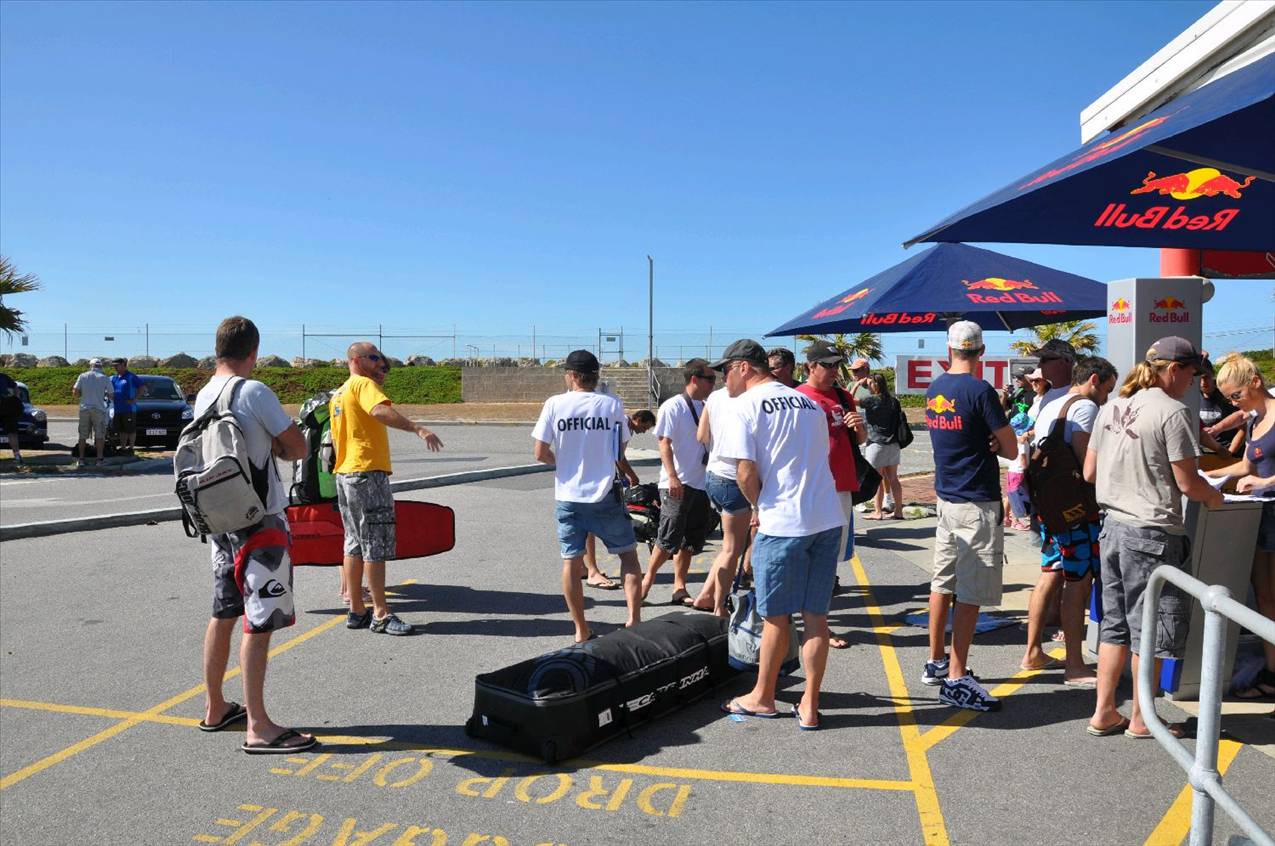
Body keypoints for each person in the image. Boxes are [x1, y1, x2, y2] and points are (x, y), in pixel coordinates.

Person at [1083, 336, 1223, 738]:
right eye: (1191, 374)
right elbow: (1188, 483)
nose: (1193, 382)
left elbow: (1090, 472)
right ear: (1173, 369)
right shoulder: (1173, 412)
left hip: (1112, 527)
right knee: (1149, 630)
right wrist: (1215, 497)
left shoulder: (1111, 407)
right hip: (1152, 534)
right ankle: (1143, 718)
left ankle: (1104, 712)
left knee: (1114, 625)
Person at [196, 316, 315, 754]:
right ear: (254, 352)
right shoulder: (254, 391)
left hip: (220, 520)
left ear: (217, 350)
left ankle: (215, 707)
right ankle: (259, 727)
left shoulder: (204, 394)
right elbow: (298, 446)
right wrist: (277, 444)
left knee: (224, 612)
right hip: (260, 521)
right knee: (260, 620)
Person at [715, 339, 846, 728]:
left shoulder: (744, 407)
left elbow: (744, 471)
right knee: (816, 617)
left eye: (726, 371)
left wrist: (758, 506)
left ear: (743, 367)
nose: (724, 380)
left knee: (775, 617)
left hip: (783, 522)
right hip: (826, 517)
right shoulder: (808, 403)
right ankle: (810, 703)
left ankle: (763, 696)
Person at [924, 321, 1017, 712]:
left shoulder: (936, 388)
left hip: (946, 498)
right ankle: (957, 677)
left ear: (949, 350)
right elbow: (1011, 449)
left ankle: (936, 661)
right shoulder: (980, 391)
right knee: (971, 592)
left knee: (942, 582)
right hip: (976, 501)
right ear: (981, 351)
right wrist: (995, 440)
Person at [331, 342, 444, 636]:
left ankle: (357, 610)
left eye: (380, 357)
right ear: (356, 360)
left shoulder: (339, 393)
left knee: (353, 543)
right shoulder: (362, 385)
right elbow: (379, 410)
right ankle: (381, 613)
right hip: (367, 473)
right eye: (374, 357)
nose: (380, 362)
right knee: (375, 544)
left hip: (345, 474)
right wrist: (418, 428)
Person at [1019, 356, 1117, 687]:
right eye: (1106, 389)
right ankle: (1075, 665)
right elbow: (1089, 467)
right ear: (1093, 379)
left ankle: (1033, 651)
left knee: (1050, 572)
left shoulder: (1051, 404)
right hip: (1077, 511)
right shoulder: (1085, 408)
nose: (1106, 397)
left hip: (1053, 509)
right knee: (1079, 581)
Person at [533, 350, 644, 640]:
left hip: (568, 495)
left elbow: (540, 452)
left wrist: (563, 465)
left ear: (571, 376)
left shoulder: (554, 404)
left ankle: (580, 628)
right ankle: (633, 620)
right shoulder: (611, 404)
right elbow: (619, 451)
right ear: (596, 376)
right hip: (605, 492)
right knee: (628, 556)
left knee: (572, 562)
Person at [1208, 353, 1275, 699]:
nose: (1234, 403)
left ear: (1255, 382)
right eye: (1229, 399)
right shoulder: (1254, 421)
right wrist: (1204, 475)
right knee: (1264, 597)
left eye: (1236, 395)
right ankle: (1272, 672)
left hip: (1271, 509)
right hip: (1259, 515)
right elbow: (1245, 467)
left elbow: (1258, 476)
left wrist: (1266, 483)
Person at [797, 340, 866, 650]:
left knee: (830, 561)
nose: (834, 370)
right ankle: (811, 625)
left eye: (836, 365)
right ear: (810, 367)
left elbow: (860, 440)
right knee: (808, 558)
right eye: (827, 365)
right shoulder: (798, 398)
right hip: (811, 488)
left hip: (842, 485)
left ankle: (818, 623)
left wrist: (858, 426)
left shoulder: (843, 396)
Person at [640, 359, 715, 606]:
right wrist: (672, 476)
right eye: (709, 379)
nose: (713, 383)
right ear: (694, 379)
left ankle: (679, 587)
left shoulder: (707, 406)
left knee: (690, 541)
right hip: (677, 482)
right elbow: (664, 443)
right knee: (668, 537)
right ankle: (647, 581)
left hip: (701, 483)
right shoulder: (673, 406)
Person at [689, 362, 751, 616]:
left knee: (728, 545)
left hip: (714, 476)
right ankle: (719, 606)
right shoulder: (748, 399)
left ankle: (706, 595)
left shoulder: (714, 398)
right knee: (732, 549)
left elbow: (702, 436)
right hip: (734, 478)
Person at [582, 409, 655, 590]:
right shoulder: (622, 424)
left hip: (593, 473)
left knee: (584, 522)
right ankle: (591, 569)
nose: (644, 431)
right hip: (596, 478)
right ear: (637, 419)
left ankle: (583, 566)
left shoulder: (623, 425)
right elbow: (618, 456)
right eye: (644, 427)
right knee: (590, 523)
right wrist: (632, 475)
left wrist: (622, 474)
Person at [861, 373, 905, 521]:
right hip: (893, 444)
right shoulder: (893, 401)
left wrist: (857, 384)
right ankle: (898, 511)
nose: (868, 386)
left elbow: (849, 400)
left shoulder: (872, 399)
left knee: (877, 479)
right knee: (893, 479)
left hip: (876, 444)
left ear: (875, 385)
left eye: (870, 384)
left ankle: (878, 511)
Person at [1198, 357, 1243, 456]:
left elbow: (1243, 427)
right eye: (1199, 378)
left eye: (1206, 377)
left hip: (1228, 450)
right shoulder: (1192, 397)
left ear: (1213, 374)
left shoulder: (1226, 394)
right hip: (1203, 453)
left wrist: (1230, 452)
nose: (1203, 382)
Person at [72, 358, 112, 467]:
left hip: (84, 408)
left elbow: (75, 392)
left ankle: (81, 459)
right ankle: (99, 459)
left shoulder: (83, 376)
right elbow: (111, 395)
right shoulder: (104, 378)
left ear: (90, 366)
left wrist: (83, 394)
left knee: (82, 435)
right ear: (101, 366)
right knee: (100, 435)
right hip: (99, 409)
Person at [110, 358, 143, 454]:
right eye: (114, 366)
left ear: (123, 365)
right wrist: (110, 395)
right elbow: (108, 389)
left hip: (129, 409)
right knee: (121, 430)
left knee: (130, 430)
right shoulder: (114, 378)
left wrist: (134, 399)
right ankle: (123, 448)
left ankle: (131, 448)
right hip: (117, 409)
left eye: (117, 365)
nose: (115, 367)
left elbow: (142, 388)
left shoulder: (131, 376)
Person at [0, 372, 23, 465]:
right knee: (12, 433)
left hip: (7, 407)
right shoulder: (4, 377)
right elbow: (15, 387)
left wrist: (16, 398)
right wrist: (16, 397)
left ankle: (17, 455)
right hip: (7, 406)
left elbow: (15, 387)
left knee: (12, 433)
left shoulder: (4, 377)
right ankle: (17, 455)